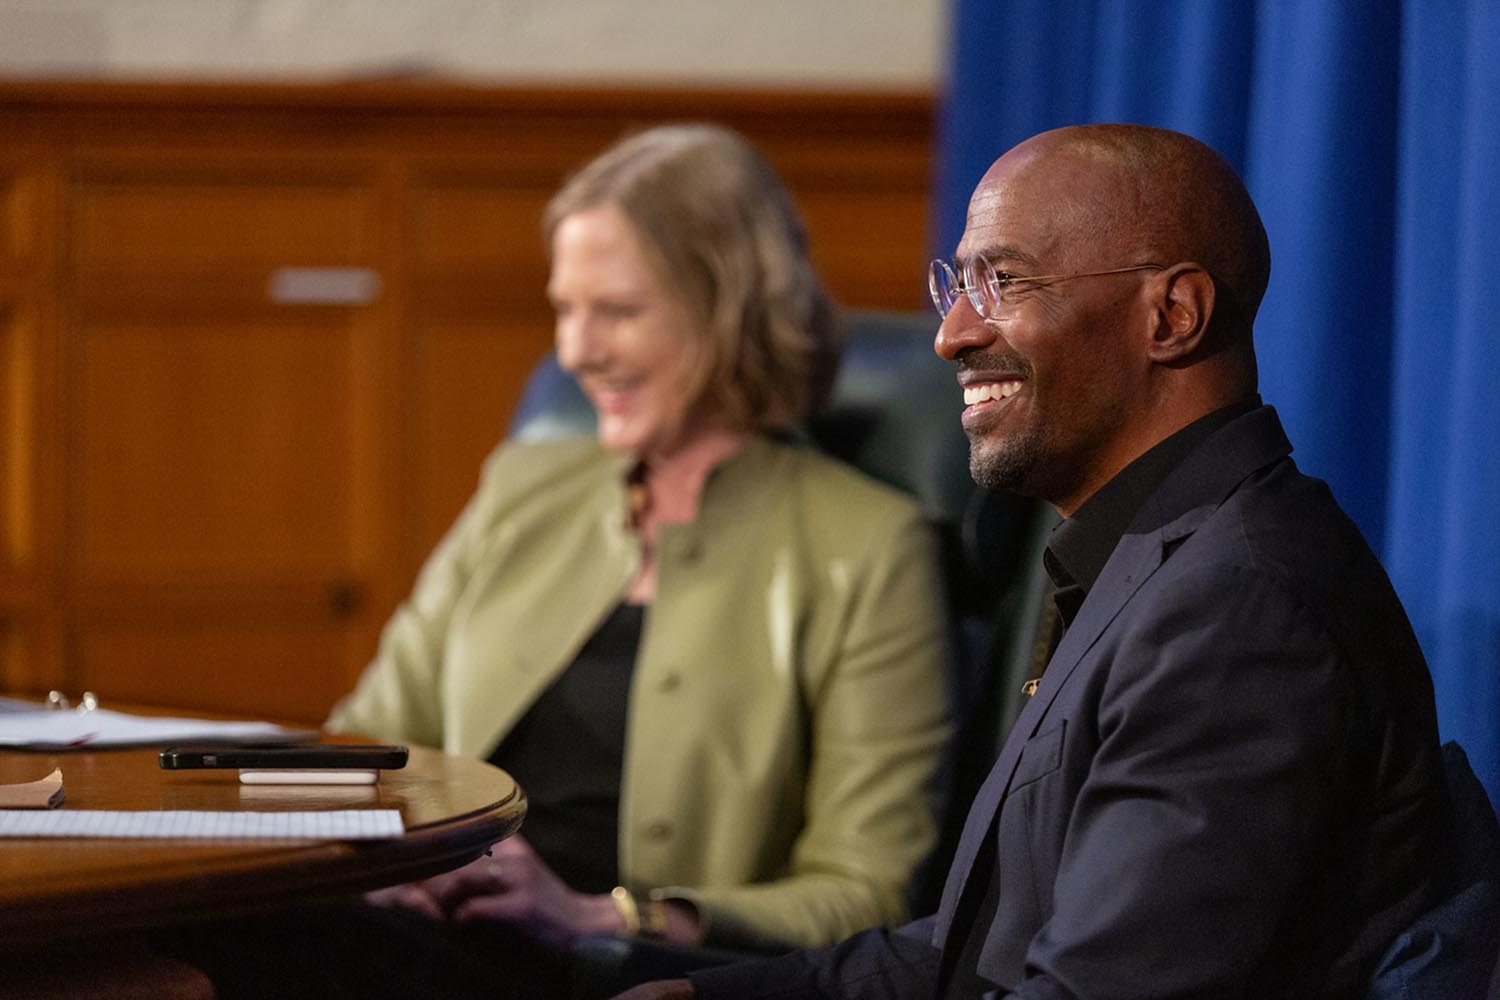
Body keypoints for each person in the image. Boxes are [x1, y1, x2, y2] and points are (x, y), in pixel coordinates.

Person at [614, 123, 1455, 999]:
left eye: (1003, 282)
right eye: (957, 284)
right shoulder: (1149, 561)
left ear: (1171, 315)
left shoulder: (1240, 611)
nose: (951, 334)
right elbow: (981, 947)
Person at [270, 123, 946, 996]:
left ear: (730, 309)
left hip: (618, 974)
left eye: (618, 311)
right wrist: (396, 863)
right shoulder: (525, 486)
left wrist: (601, 916)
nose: (575, 351)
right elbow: (368, 744)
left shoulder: (870, 547)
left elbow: (870, 891)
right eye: (565, 307)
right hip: (414, 936)